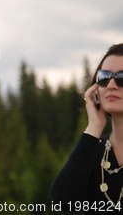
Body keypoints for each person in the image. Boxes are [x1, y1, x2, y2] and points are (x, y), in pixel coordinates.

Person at [51, 43, 123, 214]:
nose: (111, 85)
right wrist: (94, 126)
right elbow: (63, 202)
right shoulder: (93, 149)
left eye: (121, 78)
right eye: (104, 77)